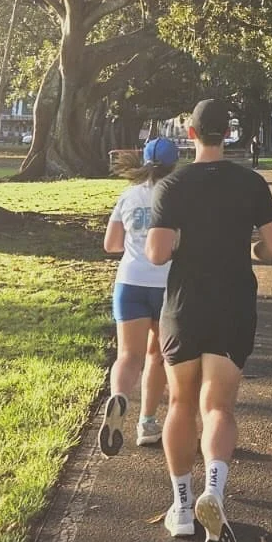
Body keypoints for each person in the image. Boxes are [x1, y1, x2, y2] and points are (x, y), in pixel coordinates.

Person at [145, 98, 272, 542]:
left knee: (181, 404)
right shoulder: (251, 183)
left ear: (190, 132)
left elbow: (158, 253)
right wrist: (252, 247)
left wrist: (184, 239)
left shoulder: (172, 184)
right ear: (229, 134)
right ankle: (214, 490)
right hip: (233, 305)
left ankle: (183, 507)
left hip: (184, 307)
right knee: (218, 407)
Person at [98, 136, 179, 457]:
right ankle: (147, 422)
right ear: (175, 164)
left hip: (129, 282)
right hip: (166, 284)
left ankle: (118, 396)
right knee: (156, 356)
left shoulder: (128, 195)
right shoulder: (176, 197)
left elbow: (111, 244)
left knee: (127, 356)